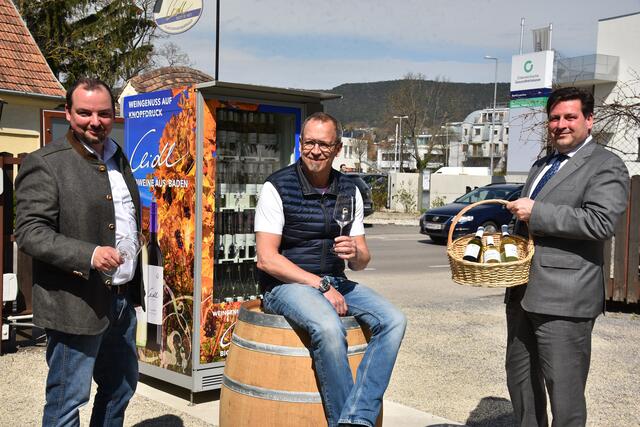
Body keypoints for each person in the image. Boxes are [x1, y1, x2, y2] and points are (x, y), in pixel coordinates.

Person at [255, 112, 406, 427]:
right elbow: (267, 259)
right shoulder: (277, 186)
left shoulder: (349, 190)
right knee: (327, 327)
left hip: (337, 279)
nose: (315, 151)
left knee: (394, 320)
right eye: (309, 142)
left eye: (323, 144)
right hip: (285, 285)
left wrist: (355, 252)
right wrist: (320, 285)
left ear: (337, 149)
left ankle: (356, 418)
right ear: (300, 143)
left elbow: (362, 261)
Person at [15, 78, 144, 426]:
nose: (94, 121)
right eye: (84, 112)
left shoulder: (119, 158)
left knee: (120, 389)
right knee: (66, 400)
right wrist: (88, 254)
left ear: (113, 115)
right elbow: (28, 232)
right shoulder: (46, 163)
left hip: (120, 302)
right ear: (69, 114)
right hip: (75, 303)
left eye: (103, 113)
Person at [505, 87, 629, 427]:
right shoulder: (542, 165)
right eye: (555, 118)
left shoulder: (607, 165)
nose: (561, 124)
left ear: (589, 120)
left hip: (566, 299)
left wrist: (538, 212)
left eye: (570, 117)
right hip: (522, 293)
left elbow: (601, 222)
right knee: (522, 389)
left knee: (565, 396)